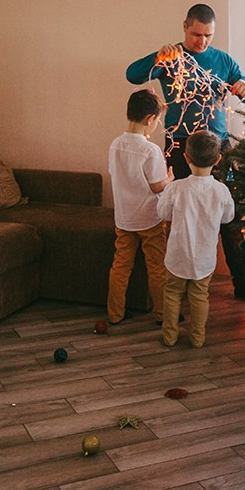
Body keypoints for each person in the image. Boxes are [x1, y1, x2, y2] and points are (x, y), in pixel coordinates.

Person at [126, 3, 245, 298]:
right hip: (180, 146)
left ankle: (243, 285)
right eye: (197, 34)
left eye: (208, 35)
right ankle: (177, 287)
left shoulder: (223, 60)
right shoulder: (172, 57)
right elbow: (132, 75)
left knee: (229, 214)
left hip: (218, 147)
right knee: (177, 214)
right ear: (185, 26)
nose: (202, 42)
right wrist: (160, 56)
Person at [156, 131, 235, 348]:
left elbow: (163, 213)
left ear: (186, 157)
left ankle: (169, 336)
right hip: (204, 257)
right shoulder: (221, 191)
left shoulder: (176, 188)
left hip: (177, 255)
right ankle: (197, 337)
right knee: (200, 296)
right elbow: (228, 217)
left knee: (172, 293)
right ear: (218, 160)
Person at [107, 88, 172, 323]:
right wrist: (170, 179)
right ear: (149, 120)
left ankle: (114, 314)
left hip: (124, 218)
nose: (157, 124)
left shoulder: (116, 144)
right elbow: (157, 186)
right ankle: (163, 315)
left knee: (121, 266)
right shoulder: (150, 150)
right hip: (148, 219)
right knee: (156, 267)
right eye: (157, 120)